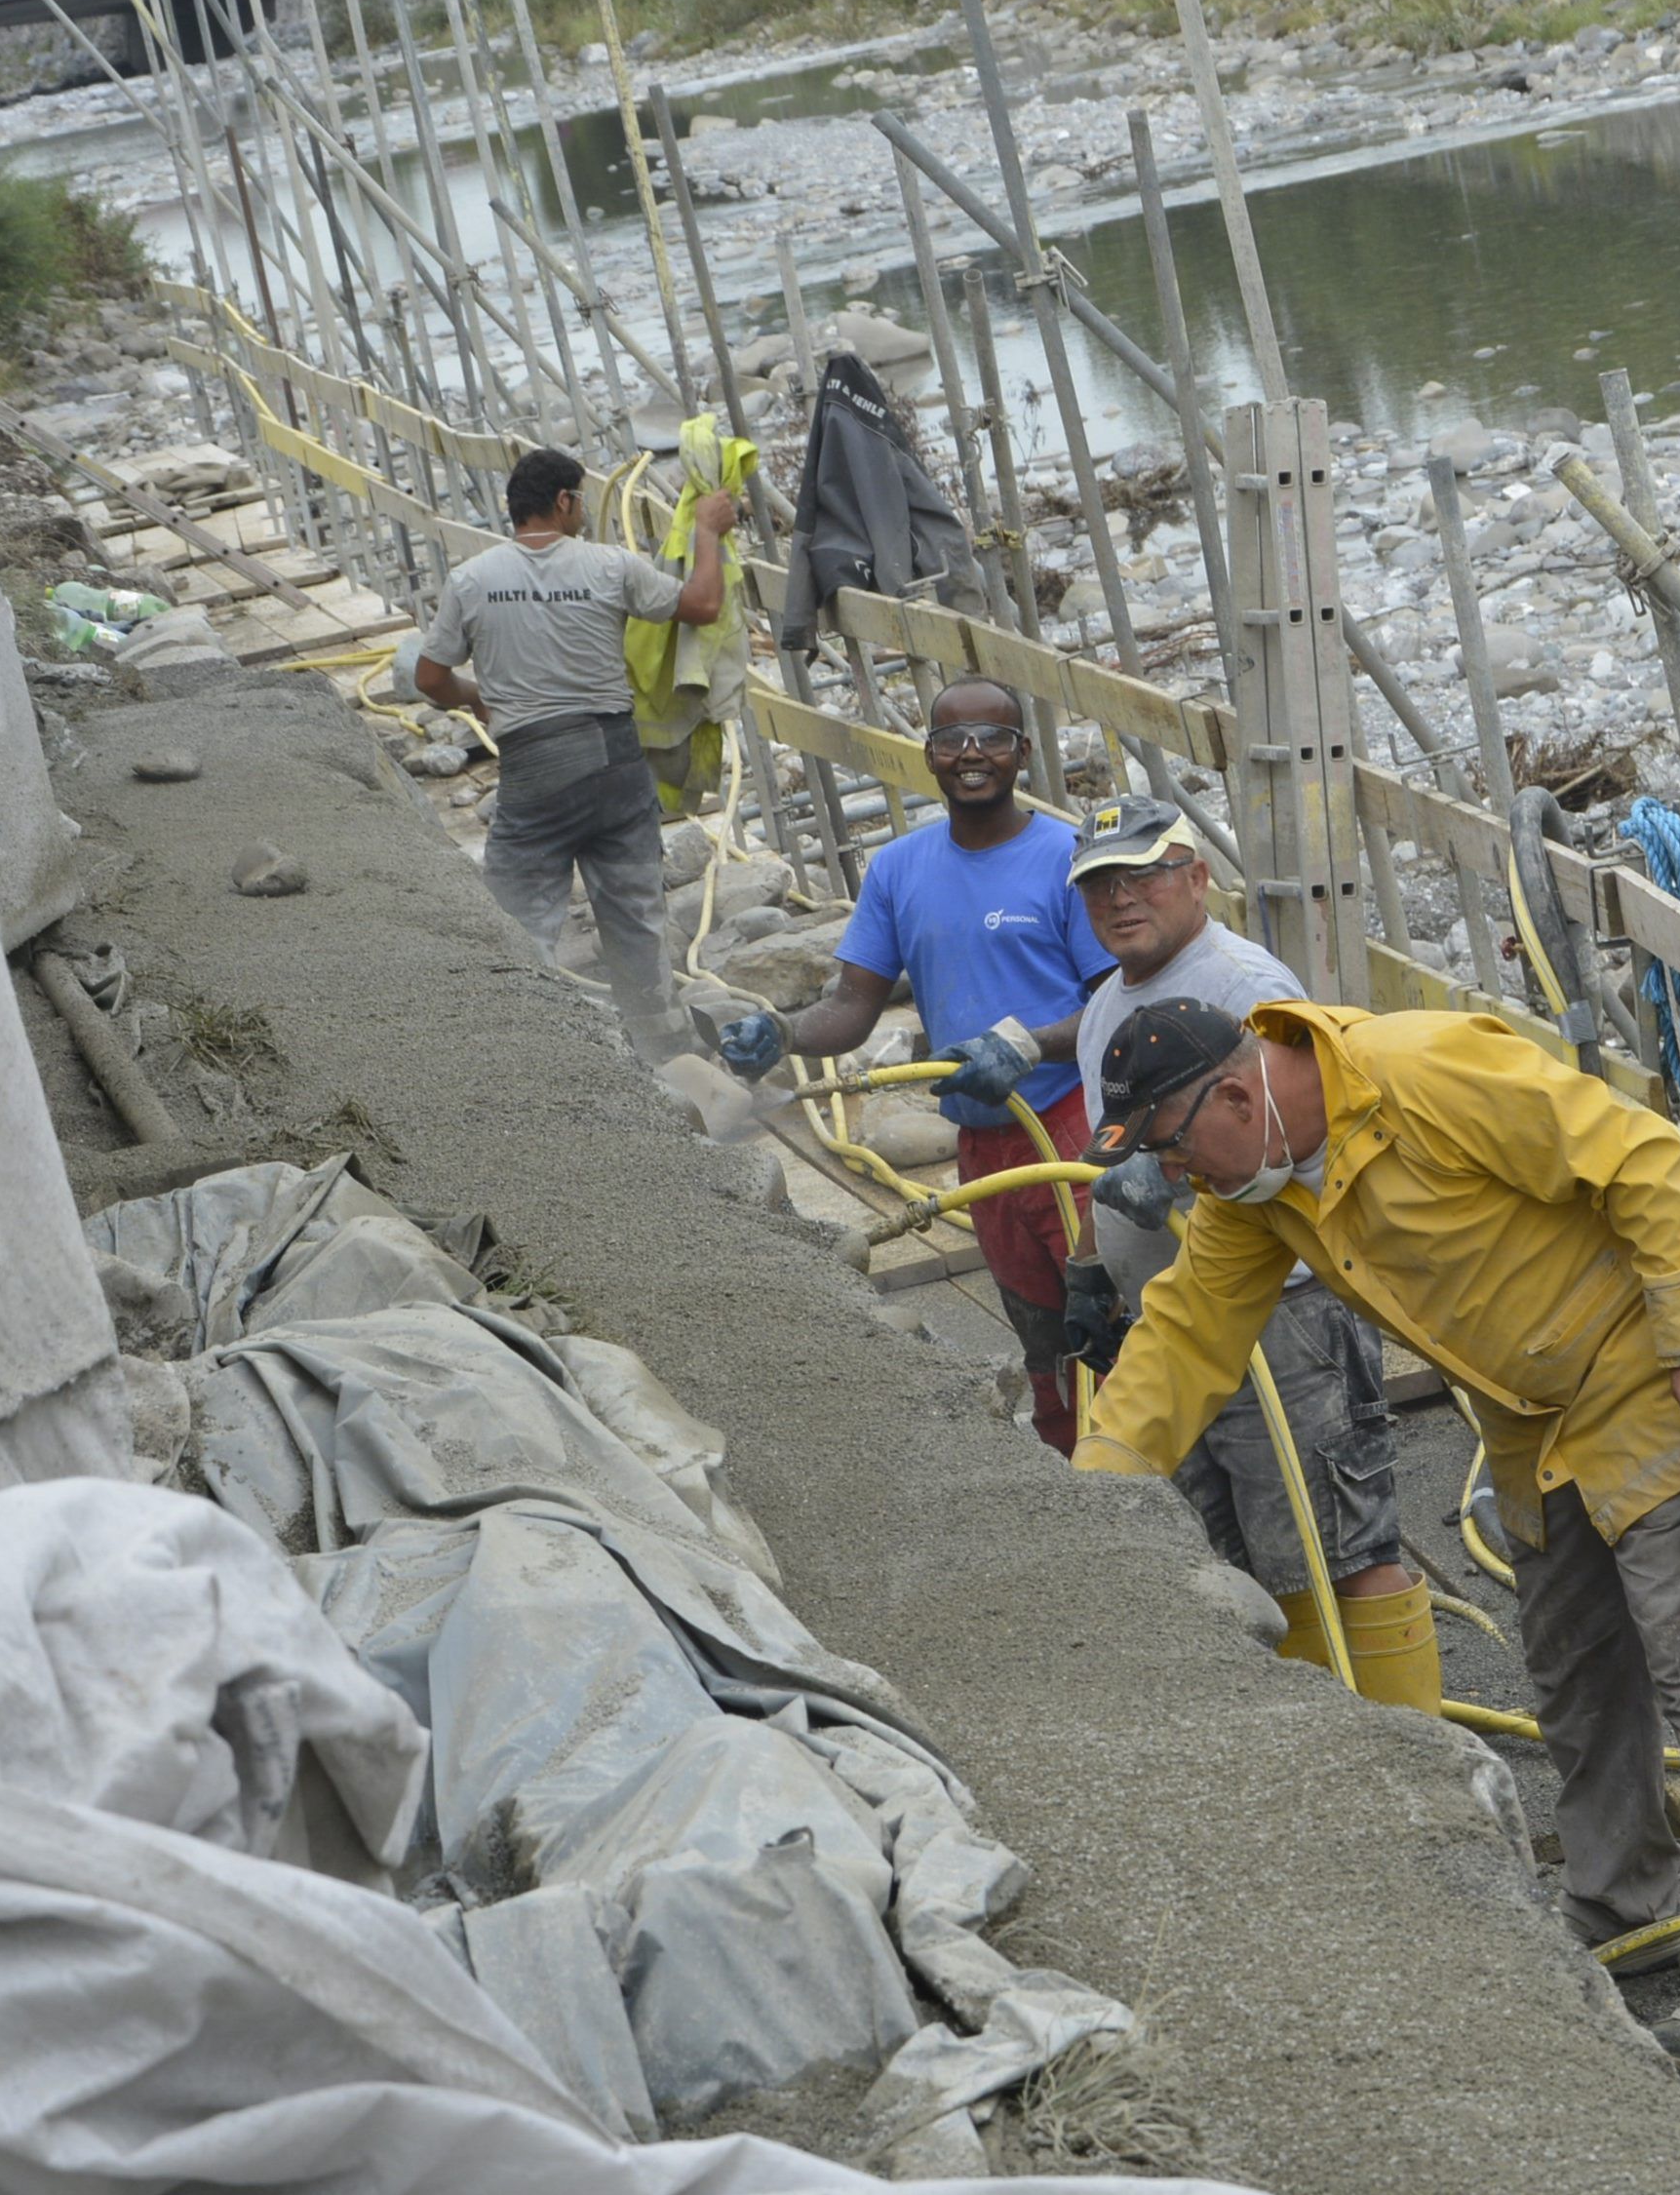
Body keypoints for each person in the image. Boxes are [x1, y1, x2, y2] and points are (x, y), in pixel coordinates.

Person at [1073, 997, 1680, 2076]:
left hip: (1665, 1381)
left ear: (1237, 1095)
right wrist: (1090, 1504)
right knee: (1573, 1667)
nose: (1176, 1179)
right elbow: (1183, 1338)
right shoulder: (1260, 1195)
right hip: (1534, 1414)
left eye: (1175, 1148)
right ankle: (1621, 1903)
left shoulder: (1419, 1073)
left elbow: (1639, 1160)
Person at [1060, 798, 1437, 1712]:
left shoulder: (1243, 983)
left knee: (1336, 1550)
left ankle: (1413, 1749)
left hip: (1284, 1317)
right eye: (1101, 884)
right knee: (1237, 1556)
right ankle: (1315, 1733)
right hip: (1179, 1314)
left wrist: (1180, 1181)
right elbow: (1101, 1150)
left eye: (1143, 873)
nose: (1121, 899)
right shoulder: (1106, 1004)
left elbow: (1295, 1139)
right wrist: (1088, 1266)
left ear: (1196, 875)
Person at [716, 677, 1111, 1451]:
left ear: (1022, 753)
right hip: (980, 1143)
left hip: (1068, 1130)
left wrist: (1029, 1045)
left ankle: (1157, 1477)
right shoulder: (899, 869)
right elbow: (854, 1005)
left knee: (1109, 1320)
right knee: (1041, 1339)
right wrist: (783, 1030)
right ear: (928, 755)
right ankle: (1079, 1478)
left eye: (991, 737)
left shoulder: (1067, 859)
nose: (972, 755)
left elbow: (1114, 1003)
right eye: (952, 740)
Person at [415, 449, 734, 1059]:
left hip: (535, 765)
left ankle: (530, 1048)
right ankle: (662, 1043)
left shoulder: (473, 580)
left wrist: (479, 698)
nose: (584, 510)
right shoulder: (610, 566)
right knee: (634, 908)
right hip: (614, 758)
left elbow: (430, 678)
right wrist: (707, 531)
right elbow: (703, 605)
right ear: (563, 501)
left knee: (519, 919)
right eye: (582, 499)